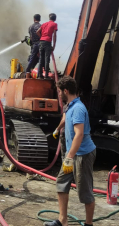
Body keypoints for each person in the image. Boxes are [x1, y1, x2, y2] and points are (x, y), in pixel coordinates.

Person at [44, 76, 96, 226]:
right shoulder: (70, 105)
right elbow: (65, 118)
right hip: (72, 154)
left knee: (84, 191)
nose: (59, 94)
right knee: (61, 182)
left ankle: (88, 224)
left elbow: (79, 134)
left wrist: (69, 157)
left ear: (66, 91)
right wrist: (57, 129)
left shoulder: (78, 108)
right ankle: (62, 221)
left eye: (60, 91)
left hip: (82, 155)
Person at [37, 13, 58, 79]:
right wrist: (54, 45)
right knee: (47, 59)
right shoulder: (54, 24)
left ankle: (39, 75)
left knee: (41, 59)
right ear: (55, 19)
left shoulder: (44, 24)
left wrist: (42, 37)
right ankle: (46, 76)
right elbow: (54, 35)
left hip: (41, 42)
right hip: (48, 42)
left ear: (49, 18)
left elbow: (37, 32)